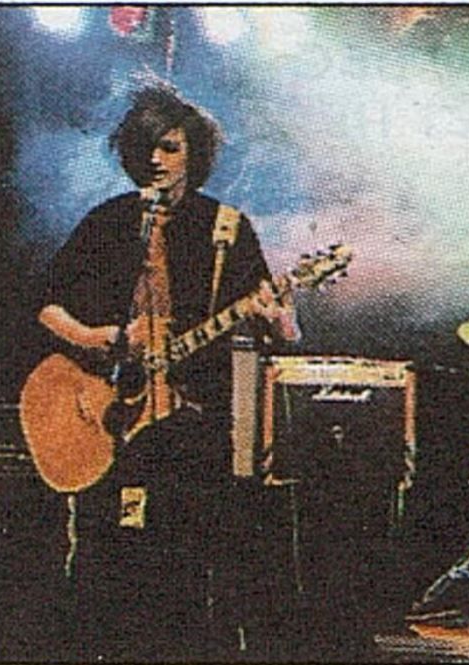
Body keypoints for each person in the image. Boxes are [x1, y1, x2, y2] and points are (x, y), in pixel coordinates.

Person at [37, 84, 299, 661]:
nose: (156, 159)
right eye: (146, 148)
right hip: (112, 418)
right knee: (105, 558)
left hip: (193, 426)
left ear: (194, 154)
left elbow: (282, 330)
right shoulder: (109, 222)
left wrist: (279, 317)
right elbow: (46, 305)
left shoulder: (225, 227)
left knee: (185, 561)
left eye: (170, 148)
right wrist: (99, 338)